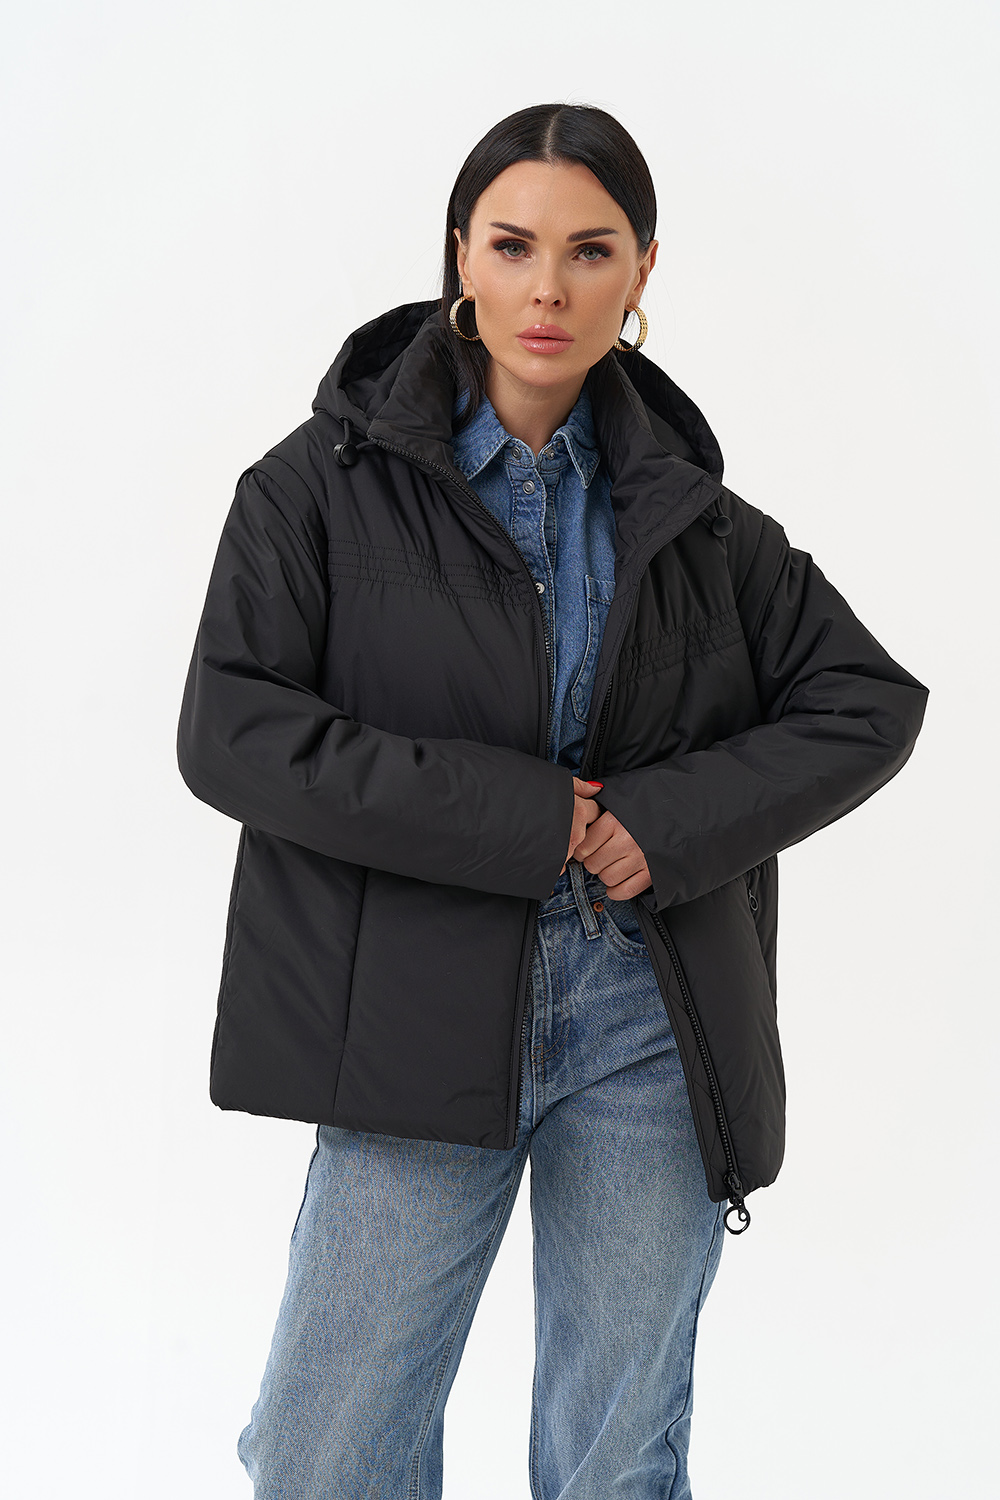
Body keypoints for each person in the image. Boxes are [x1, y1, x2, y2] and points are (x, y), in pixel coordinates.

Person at [176, 102, 929, 1499]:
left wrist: (666, 822)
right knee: (324, 1452)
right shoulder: (317, 491)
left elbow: (868, 703)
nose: (549, 289)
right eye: (514, 245)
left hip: (645, 1021)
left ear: (641, 271)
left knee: (613, 1465)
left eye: (591, 251)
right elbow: (233, 734)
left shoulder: (696, 520)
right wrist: (526, 819)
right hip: (414, 1011)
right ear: (461, 253)